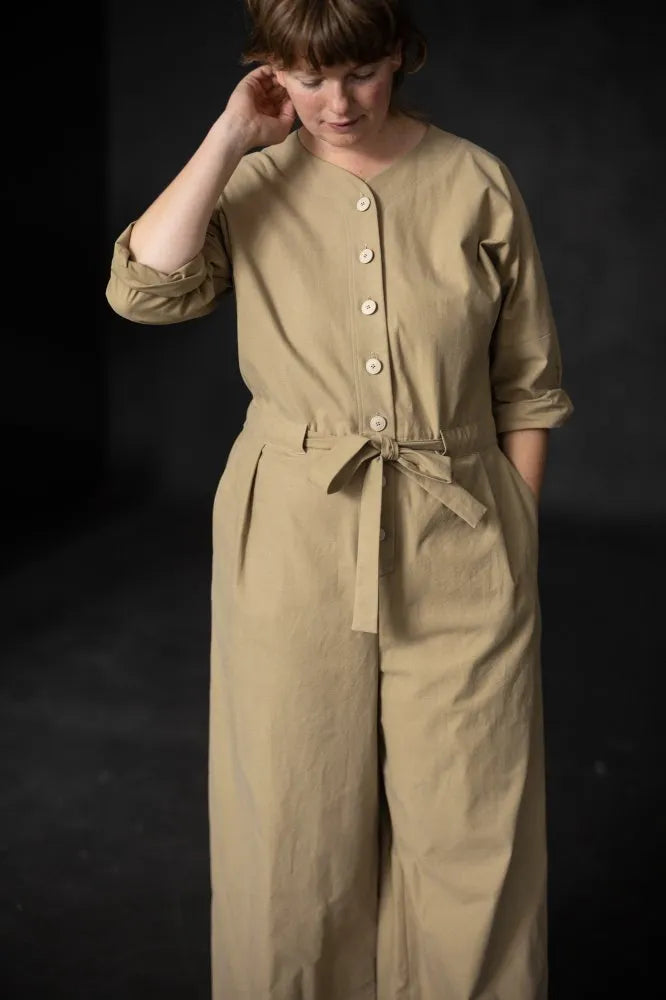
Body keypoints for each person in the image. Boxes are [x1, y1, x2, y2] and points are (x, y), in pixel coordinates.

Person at [105, 1, 574, 997]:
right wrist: (230, 136)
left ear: (400, 53)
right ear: (270, 69)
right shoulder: (249, 179)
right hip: (292, 536)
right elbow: (143, 290)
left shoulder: (478, 182)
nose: (337, 102)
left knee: (474, 822)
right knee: (293, 824)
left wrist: (517, 545)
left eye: (359, 71)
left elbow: (528, 385)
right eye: (307, 76)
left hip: (461, 532)